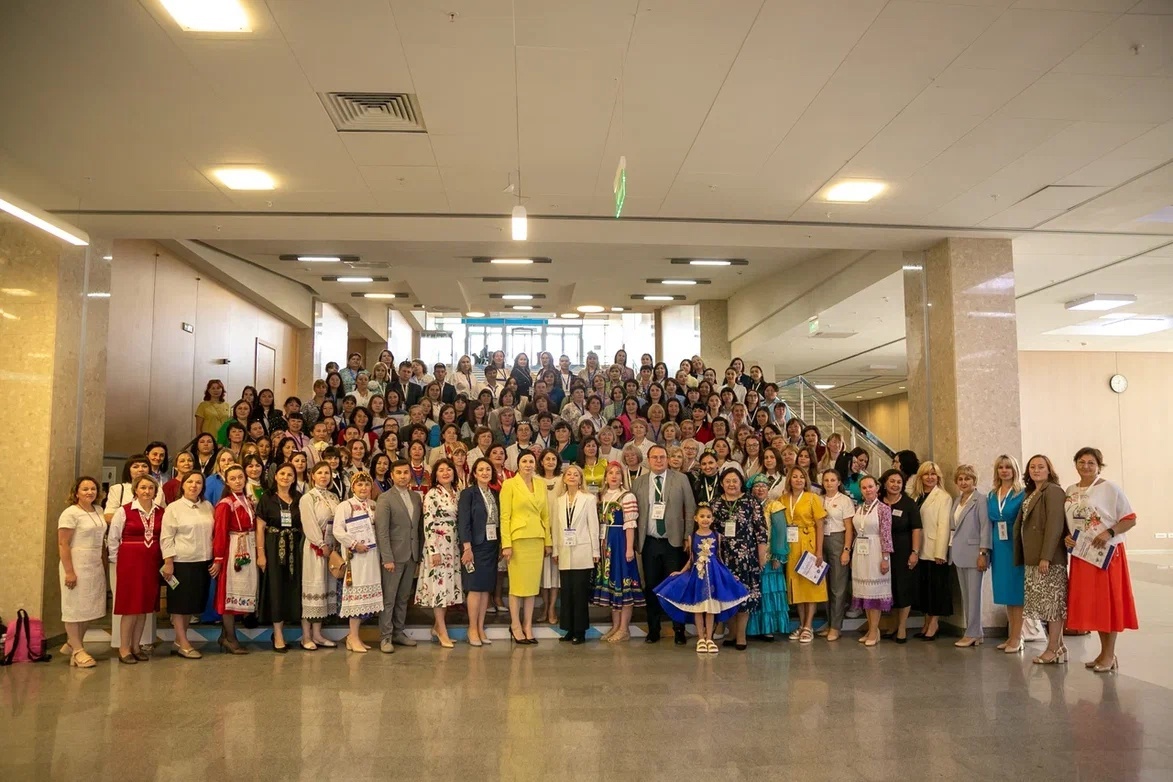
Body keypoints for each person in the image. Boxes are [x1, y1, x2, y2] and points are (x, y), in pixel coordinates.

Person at [1063, 447, 1139, 673]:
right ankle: (1104, 653)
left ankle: (1109, 654)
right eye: (1081, 462)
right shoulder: (1071, 490)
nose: (1086, 466)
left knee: (1108, 603)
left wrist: (1109, 533)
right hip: (1082, 554)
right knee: (1094, 604)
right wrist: (1068, 537)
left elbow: (1130, 518)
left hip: (1106, 554)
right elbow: (1071, 521)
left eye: (1091, 463)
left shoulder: (1109, 488)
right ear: (1076, 464)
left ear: (1099, 466)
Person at [655, 504, 750, 654]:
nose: (705, 519)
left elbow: (720, 558)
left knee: (710, 608)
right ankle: (701, 638)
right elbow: (691, 559)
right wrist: (681, 572)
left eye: (708, 517)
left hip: (714, 575)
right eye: (702, 516)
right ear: (696, 518)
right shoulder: (692, 537)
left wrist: (729, 576)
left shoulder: (717, 536)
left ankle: (709, 638)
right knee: (698, 608)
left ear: (712, 519)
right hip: (697, 576)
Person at [633, 444, 696, 645]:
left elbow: (690, 508)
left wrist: (687, 536)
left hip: (674, 542)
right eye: (655, 457)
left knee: (675, 586)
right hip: (650, 541)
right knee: (651, 586)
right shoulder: (639, 482)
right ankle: (653, 629)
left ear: (668, 459)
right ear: (648, 460)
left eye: (662, 457)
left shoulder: (681, 479)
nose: (659, 461)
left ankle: (679, 629)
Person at [1015, 454, 1069, 665]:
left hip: (1049, 559)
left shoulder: (1053, 491)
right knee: (1044, 604)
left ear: (1049, 470)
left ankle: (1052, 648)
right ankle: (1059, 646)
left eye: (1040, 467)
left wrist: (1046, 556)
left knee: (1052, 605)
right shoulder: (1031, 492)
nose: (1036, 470)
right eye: (1032, 467)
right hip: (1033, 557)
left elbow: (1055, 526)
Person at [108, 475, 165, 664]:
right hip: (129, 563)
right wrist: (116, 561)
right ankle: (124, 648)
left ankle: (136, 646)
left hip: (151, 562)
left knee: (144, 607)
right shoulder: (124, 511)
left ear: (155, 491)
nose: (147, 491)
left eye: (150, 488)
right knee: (130, 607)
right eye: (143, 487)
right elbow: (113, 538)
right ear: (136, 490)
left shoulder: (161, 512)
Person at [160, 471, 214, 659]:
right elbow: (166, 537)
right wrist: (168, 562)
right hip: (181, 562)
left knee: (192, 604)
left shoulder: (207, 506)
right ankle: (183, 643)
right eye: (190, 482)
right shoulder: (173, 508)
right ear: (182, 485)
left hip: (203, 561)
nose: (194, 485)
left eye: (198, 482)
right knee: (180, 604)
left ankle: (178, 640)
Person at [711, 469, 767, 650]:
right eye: (727, 481)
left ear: (741, 482)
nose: (731, 484)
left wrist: (761, 555)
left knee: (744, 595)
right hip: (723, 557)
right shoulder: (715, 503)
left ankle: (741, 635)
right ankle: (732, 632)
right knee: (727, 595)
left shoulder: (751, 501)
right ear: (721, 483)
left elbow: (761, 531)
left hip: (746, 557)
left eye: (735, 481)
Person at [500, 452, 552, 644]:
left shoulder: (540, 484)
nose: (528, 464)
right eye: (524, 461)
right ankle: (515, 625)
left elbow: (545, 515)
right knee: (517, 586)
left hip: (536, 538)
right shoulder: (509, 484)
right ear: (518, 464)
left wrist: (548, 541)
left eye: (531, 461)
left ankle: (527, 625)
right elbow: (505, 516)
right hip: (518, 540)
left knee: (531, 587)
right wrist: (506, 544)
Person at [373, 460, 424, 653]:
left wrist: (419, 554)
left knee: (403, 597)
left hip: (411, 554)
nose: (403, 476)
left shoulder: (415, 497)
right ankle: (385, 636)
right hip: (393, 556)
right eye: (399, 473)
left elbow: (418, 528)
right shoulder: (385, 498)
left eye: (406, 472)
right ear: (392, 476)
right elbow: (382, 531)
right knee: (389, 598)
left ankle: (398, 632)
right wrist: (387, 558)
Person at [57, 477, 107, 668]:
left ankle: (73, 644)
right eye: (85, 489)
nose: (89, 492)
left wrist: (103, 563)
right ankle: (78, 650)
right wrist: (69, 572)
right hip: (76, 563)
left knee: (89, 608)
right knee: (73, 608)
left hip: (94, 564)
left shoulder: (99, 510)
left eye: (93, 488)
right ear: (76, 492)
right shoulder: (70, 513)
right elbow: (63, 543)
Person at [415, 459, 465, 648]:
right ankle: (442, 630)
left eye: (448, 469)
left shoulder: (457, 493)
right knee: (439, 587)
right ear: (435, 474)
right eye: (441, 470)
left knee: (447, 588)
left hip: (453, 546)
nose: (445, 473)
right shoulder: (432, 494)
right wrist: (433, 550)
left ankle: (437, 627)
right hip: (438, 545)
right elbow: (428, 523)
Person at [593, 461, 644, 642]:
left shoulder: (627, 496)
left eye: (617, 473)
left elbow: (630, 524)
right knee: (613, 586)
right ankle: (615, 626)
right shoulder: (601, 495)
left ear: (622, 477)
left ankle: (624, 628)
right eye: (610, 473)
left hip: (620, 542)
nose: (614, 476)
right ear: (605, 477)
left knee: (623, 584)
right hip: (605, 543)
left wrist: (629, 548)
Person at [333, 472, 383, 653]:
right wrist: (354, 544)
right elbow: (338, 530)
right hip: (355, 557)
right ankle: (352, 636)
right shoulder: (345, 506)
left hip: (372, 556)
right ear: (353, 487)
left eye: (367, 484)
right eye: (359, 484)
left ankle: (354, 636)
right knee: (355, 597)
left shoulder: (374, 505)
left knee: (367, 598)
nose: (363, 488)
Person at [255, 463, 303, 653]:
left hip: (294, 547)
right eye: (282, 473)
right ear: (275, 476)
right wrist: (261, 553)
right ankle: (278, 634)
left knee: (292, 586)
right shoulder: (267, 498)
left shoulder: (299, 498)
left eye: (289, 474)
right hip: (273, 546)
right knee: (275, 588)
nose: (285, 477)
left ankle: (291, 624)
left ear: (294, 478)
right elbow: (260, 528)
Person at [553, 465, 601, 644]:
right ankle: (569, 629)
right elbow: (556, 527)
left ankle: (580, 631)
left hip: (583, 550)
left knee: (580, 593)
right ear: (564, 478)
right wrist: (556, 550)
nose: (572, 477)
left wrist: (595, 551)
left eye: (576, 475)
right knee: (566, 592)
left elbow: (593, 526)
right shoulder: (559, 500)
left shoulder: (589, 499)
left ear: (581, 479)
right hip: (564, 550)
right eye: (569, 474)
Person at [779, 466, 827, 643]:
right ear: (789, 479)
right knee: (796, 586)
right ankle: (801, 624)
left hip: (809, 543)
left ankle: (808, 626)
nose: (798, 480)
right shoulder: (783, 499)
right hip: (791, 545)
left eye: (801, 477)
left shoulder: (812, 498)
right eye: (794, 476)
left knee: (810, 586)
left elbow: (820, 525)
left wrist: (819, 551)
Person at [212, 465, 257, 655]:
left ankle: (225, 635)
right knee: (229, 594)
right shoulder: (226, 504)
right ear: (227, 482)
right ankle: (230, 638)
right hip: (233, 549)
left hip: (248, 546)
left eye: (240, 477)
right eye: (233, 478)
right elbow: (220, 532)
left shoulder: (248, 500)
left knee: (243, 591)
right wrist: (218, 558)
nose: (238, 481)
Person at [458, 458, 501, 647]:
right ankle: (472, 628)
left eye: (488, 469)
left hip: (491, 546)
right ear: (474, 473)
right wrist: (467, 547)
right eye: (481, 470)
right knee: (475, 588)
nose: (485, 472)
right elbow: (463, 522)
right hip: (474, 547)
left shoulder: (495, 493)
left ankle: (480, 627)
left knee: (485, 589)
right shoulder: (468, 493)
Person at [988, 455, 1028, 653]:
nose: (1004, 471)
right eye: (1000, 467)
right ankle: (1012, 635)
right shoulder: (992, 494)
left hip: (1016, 545)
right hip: (999, 546)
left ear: (1015, 470)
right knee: (1005, 592)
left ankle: (1018, 637)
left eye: (1008, 467)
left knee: (1016, 593)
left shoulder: (1022, 493)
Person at [949, 464, 990, 648]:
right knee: (966, 596)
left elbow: (985, 527)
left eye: (967, 479)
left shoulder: (980, 500)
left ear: (974, 480)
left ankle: (972, 632)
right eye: (960, 479)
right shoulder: (957, 500)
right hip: (959, 553)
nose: (963, 482)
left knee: (974, 596)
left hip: (975, 554)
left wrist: (983, 552)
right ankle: (975, 632)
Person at [298, 461, 339, 649]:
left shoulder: (333, 497)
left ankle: (317, 634)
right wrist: (320, 543)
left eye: (327, 473)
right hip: (315, 548)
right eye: (320, 473)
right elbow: (309, 523)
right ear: (312, 476)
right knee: (313, 589)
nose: (324, 476)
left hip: (331, 548)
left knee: (324, 590)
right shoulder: (308, 498)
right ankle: (306, 636)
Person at [910, 461, 952, 641]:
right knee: (925, 589)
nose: (930, 477)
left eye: (933, 474)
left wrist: (940, 552)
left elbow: (944, 526)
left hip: (935, 551)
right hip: (920, 548)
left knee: (936, 588)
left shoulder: (943, 497)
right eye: (926, 474)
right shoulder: (916, 496)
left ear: (938, 477)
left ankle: (934, 623)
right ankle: (926, 622)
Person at [879, 468, 921, 642]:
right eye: (892, 481)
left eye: (899, 482)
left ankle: (902, 626)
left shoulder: (908, 503)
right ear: (885, 483)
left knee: (903, 588)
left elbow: (916, 529)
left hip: (903, 550)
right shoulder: (878, 501)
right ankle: (892, 624)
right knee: (888, 588)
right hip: (882, 552)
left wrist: (915, 552)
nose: (895, 485)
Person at [851, 476, 893, 647]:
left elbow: (886, 535)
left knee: (874, 592)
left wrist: (885, 558)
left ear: (877, 487)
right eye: (864, 487)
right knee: (865, 592)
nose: (868, 490)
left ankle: (875, 631)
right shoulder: (859, 508)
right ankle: (871, 629)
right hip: (861, 551)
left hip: (876, 551)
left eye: (870, 486)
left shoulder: (883, 509)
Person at [748, 476, 790, 641]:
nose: (760, 489)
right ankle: (753, 628)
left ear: (768, 489)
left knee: (768, 592)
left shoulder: (775, 506)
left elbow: (780, 532)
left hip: (770, 557)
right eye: (757, 486)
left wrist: (778, 555)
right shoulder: (749, 505)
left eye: (763, 486)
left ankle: (768, 628)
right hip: (751, 557)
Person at [817, 469, 854, 641]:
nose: (829, 483)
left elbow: (849, 527)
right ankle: (829, 622)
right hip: (820, 540)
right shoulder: (819, 499)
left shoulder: (845, 500)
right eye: (826, 480)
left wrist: (846, 550)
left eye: (833, 480)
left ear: (839, 482)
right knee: (824, 585)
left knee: (837, 587)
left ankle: (836, 627)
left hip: (838, 540)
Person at [537, 448, 564, 626]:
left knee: (555, 574)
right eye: (547, 459)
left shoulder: (562, 479)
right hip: (539, 530)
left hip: (559, 530)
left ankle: (552, 608)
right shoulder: (535, 479)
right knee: (542, 574)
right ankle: (545, 607)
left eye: (553, 459)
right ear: (541, 462)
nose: (550, 462)